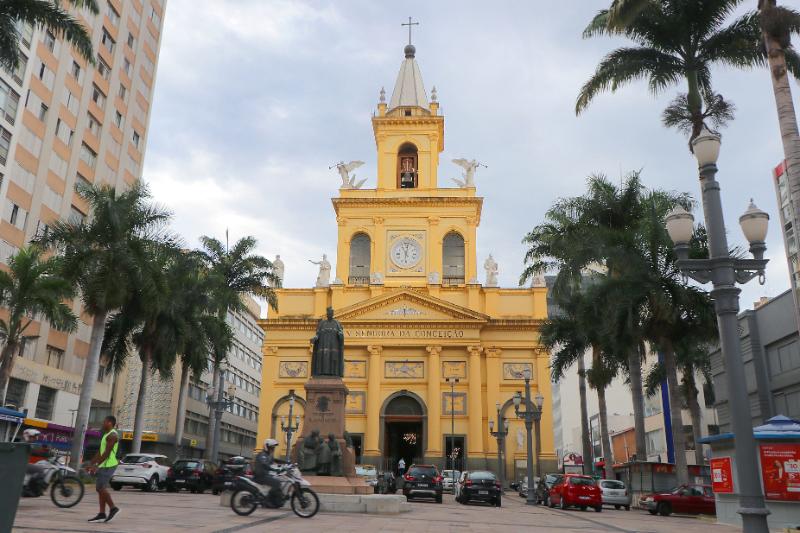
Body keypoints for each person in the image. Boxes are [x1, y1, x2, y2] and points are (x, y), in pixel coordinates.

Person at [87, 416, 120, 523]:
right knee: (99, 488)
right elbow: (100, 452)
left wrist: (96, 465)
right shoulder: (106, 435)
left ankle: (113, 508)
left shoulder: (113, 435)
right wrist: (91, 463)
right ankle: (102, 513)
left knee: (101, 487)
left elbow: (107, 453)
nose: (103, 423)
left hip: (109, 464)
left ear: (110, 423)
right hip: (104, 465)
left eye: (104, 421)